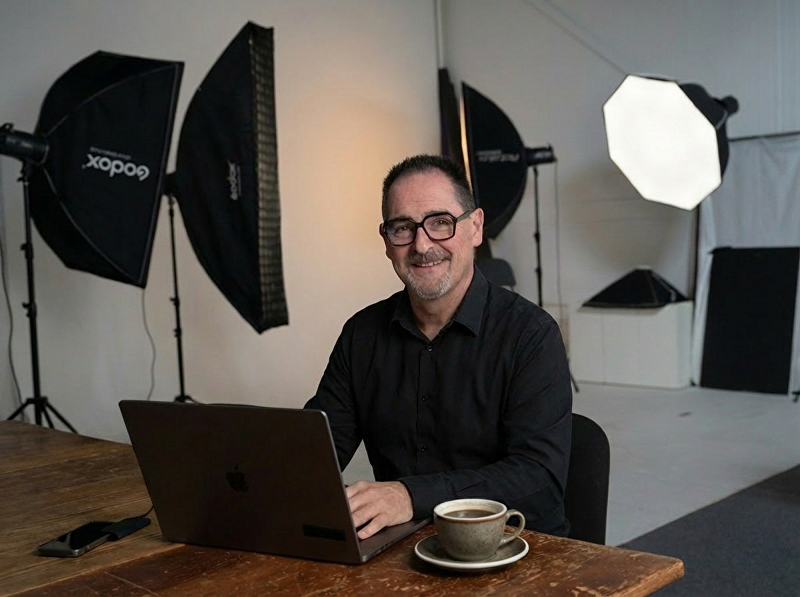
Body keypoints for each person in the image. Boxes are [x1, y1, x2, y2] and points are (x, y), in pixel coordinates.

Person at [305, 154, 572, 540]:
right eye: (403, 228)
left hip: (516, 549)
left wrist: (411, 496)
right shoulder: (361, 335)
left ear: (475, 227)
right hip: (402, 549)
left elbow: (539, 477)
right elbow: (320, 452)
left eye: (440, 223)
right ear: (386, 242)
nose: (421, 244)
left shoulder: (531, 335)